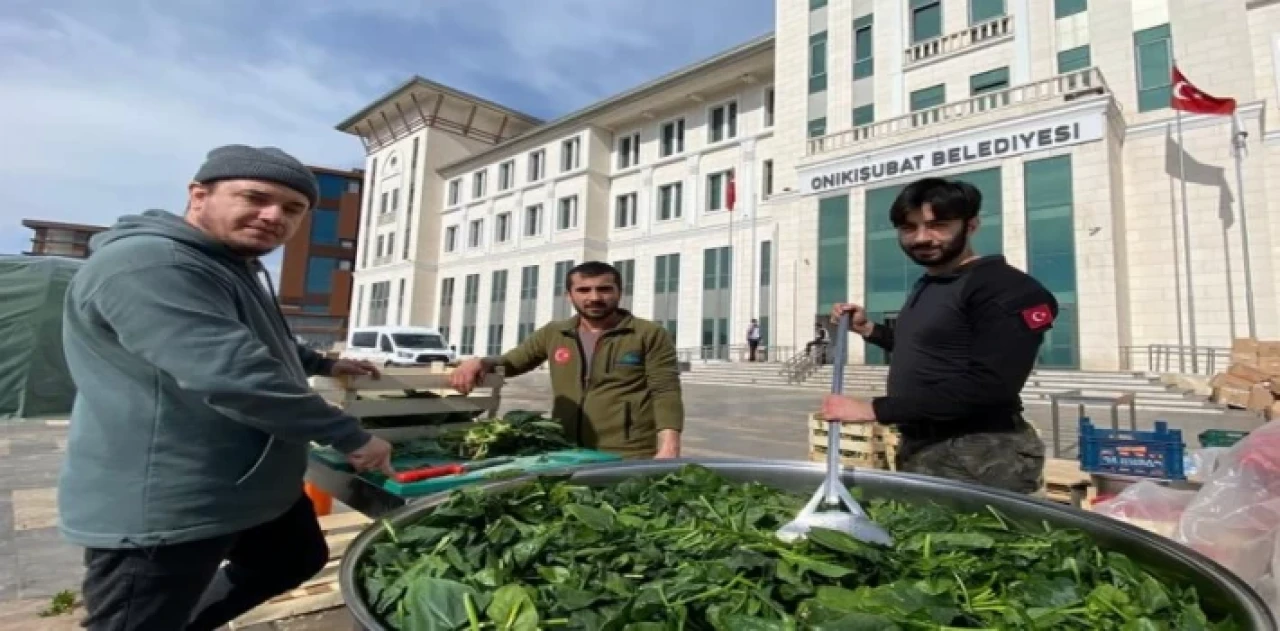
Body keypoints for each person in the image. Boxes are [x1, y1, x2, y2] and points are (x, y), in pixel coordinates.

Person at [59, 145, 397, 631]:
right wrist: (351, 436)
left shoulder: (228, 264)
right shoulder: (151, 265)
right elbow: (235, 374)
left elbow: (263, 339)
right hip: (171, 498)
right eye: (255, 198)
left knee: (291, 557)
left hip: (243, 485)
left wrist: (323, 361)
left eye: (292, 209)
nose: (273, 216)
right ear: (199, 195)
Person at [821, 177, 1056, 494]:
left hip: (978, 455)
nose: (921, 238)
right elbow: (930, 347)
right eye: (908, 228)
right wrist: (869, 329)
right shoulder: (934, 283)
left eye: (938, 225)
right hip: (923, 444)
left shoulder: (1005, 289)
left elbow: (991, 386)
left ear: (971, 225)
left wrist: (873, 410)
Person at [451, 261, 685, 459]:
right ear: (569, 295)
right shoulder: (555, 333)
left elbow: (665, 391)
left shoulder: (648, 334)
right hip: (566, 448)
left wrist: (669, 444)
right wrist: (480, 362)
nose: (594, 297)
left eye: (604, 289)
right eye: (584, 290)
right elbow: (512, 362)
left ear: (619, 292)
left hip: (628, 450)